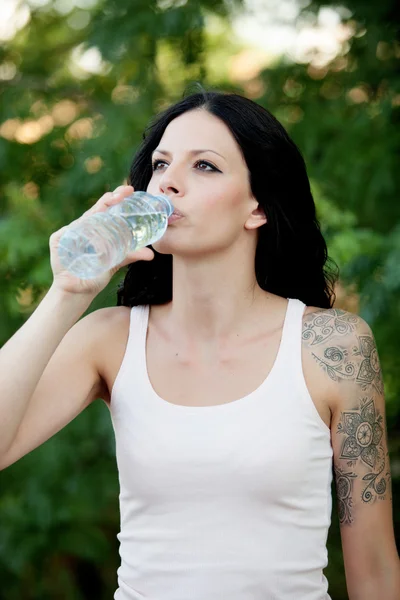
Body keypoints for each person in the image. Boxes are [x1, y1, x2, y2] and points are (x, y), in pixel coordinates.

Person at [0, 89, 399, 600]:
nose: (167, 181)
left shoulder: (332, 347)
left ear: (257, 207)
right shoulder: (111, 338)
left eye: (204, 166)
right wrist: (65, 293)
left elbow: (375, 568)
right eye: (161, 163)